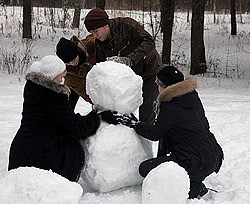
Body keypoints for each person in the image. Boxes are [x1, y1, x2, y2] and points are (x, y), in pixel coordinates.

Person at [106, 66, 224, 199]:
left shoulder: (170, 105)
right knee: (165, 149)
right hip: (212, 154)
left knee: (145, 169)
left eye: (159, 83)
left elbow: (155, 134)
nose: (157, 87)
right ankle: (190, 177)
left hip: (196, 161)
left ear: (167, 86)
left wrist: (134, 124)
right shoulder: (190, 96)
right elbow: (172, 127)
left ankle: (193, 187)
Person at [8, 55, 100, 182]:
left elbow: (57, 120)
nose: (63, 80)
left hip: (20, 152)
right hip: (40, 157)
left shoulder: (33, 89)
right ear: (52, 77)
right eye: (61, 77)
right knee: (72, 147)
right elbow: (75, 127)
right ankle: (62, 184)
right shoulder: (54, 96)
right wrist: (96, 118)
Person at [84, 8, 163, 125]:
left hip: (150, 73)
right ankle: (128, 140)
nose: (95, 35)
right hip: (128, 79)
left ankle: (146, 141)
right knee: (122, 112)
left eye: (96, 31)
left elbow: (149, 42)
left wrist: (129, 59)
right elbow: (101, 67)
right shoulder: (99, 43)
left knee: (146, 113)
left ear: (105, 25)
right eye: (92, 33)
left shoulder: (127, 25)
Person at [56, 34, 96, 109]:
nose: (72, 64)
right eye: (68, 63)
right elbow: (85, 93)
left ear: (77, 52)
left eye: (74, 59)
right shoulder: (69, 75)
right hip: (84, 83)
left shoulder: (89, 44)